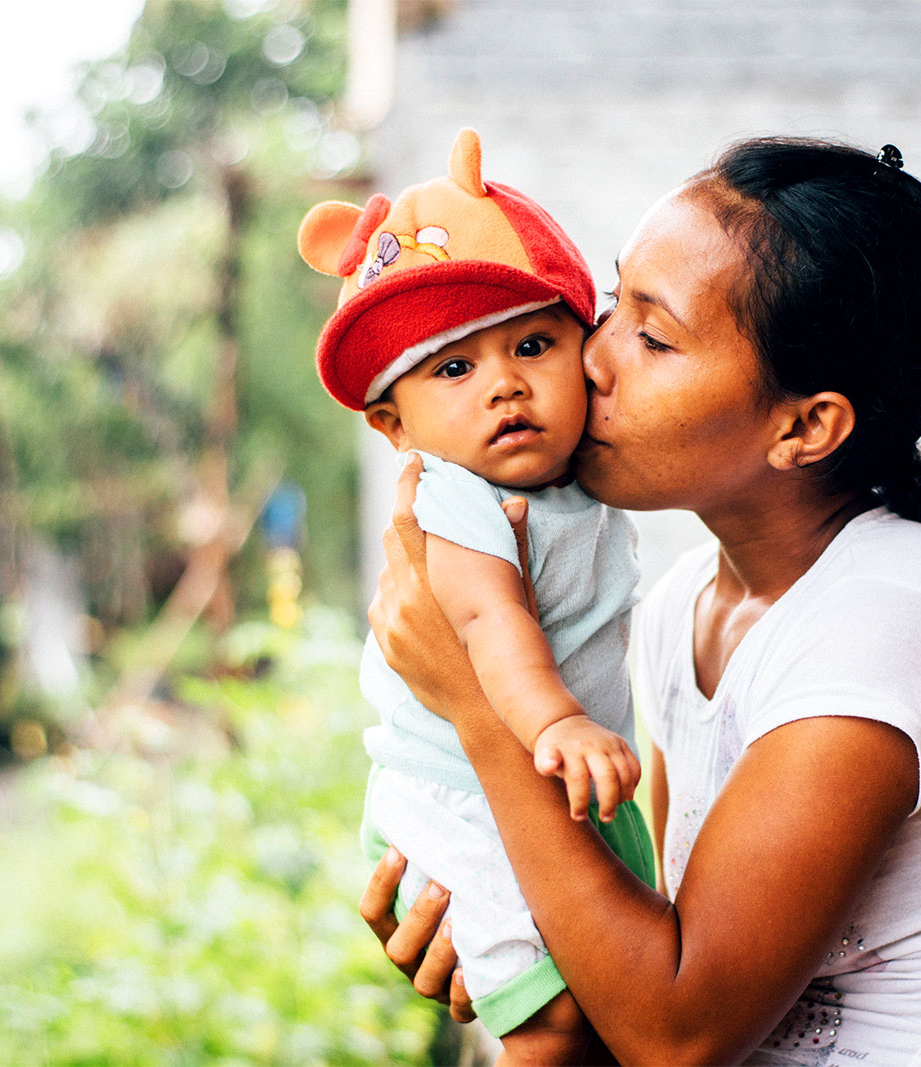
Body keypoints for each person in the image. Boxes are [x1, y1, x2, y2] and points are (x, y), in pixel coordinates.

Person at [362, 137, 921, 1064]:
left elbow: (674, 1032)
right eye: (613, 303)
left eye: (654, 337)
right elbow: (643, 962)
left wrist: (474, 706)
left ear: (805, 426)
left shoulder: (891, 615)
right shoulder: (682, 610)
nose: (592, 359)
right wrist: (512, 939)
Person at [298, 127, 654, 1064]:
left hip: (556, 779)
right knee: (548, 1023)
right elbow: (490, 620)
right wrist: (556, 727)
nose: (504, 385)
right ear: (393, 422)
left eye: (533, 344)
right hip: (464, 790)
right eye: (453, 369)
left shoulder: (581, 483)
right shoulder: (456, 496)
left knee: (618, 986)